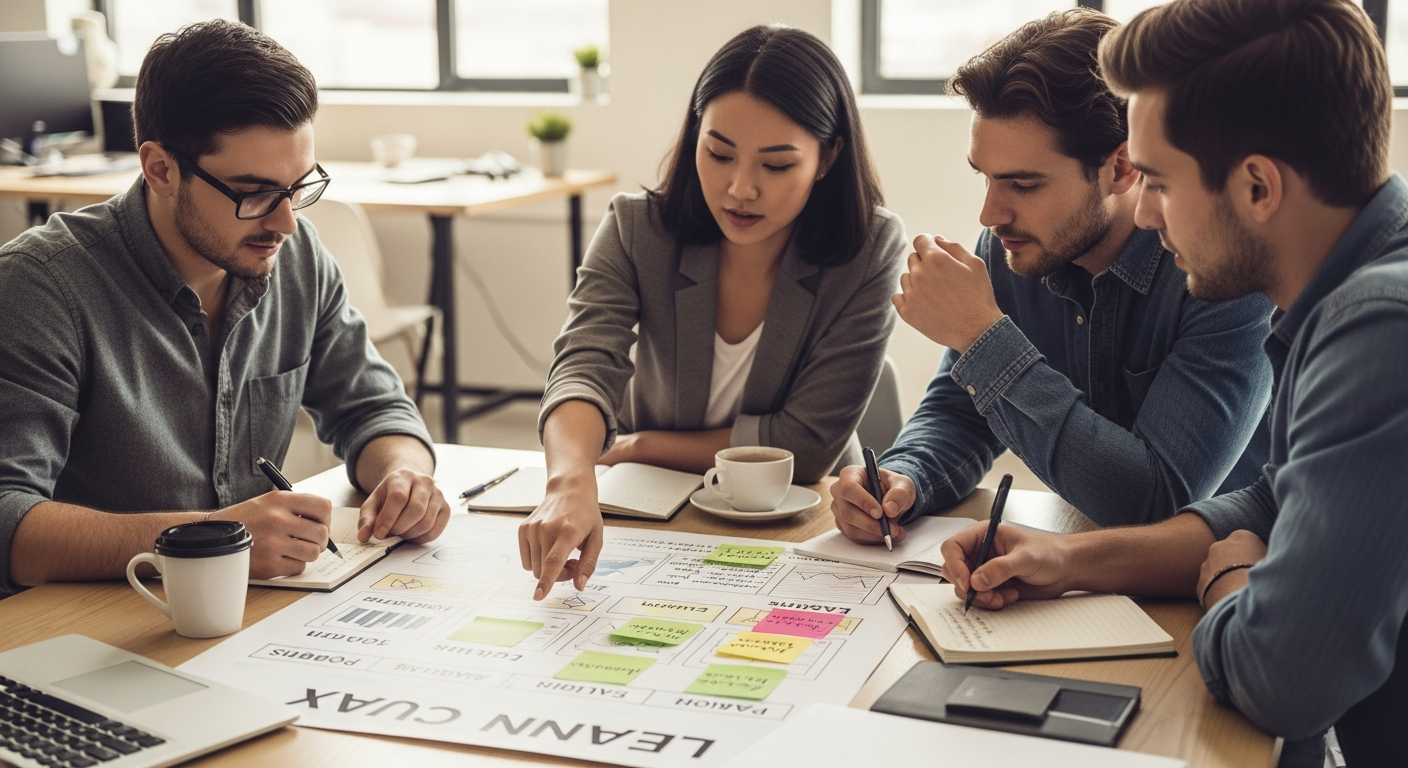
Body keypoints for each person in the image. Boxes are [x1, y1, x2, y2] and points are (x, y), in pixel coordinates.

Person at [938, 0, 1407, 764]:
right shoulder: (1345, 301)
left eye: (1157, 181)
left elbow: (1285, 680)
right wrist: (1069, 561)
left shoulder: (1380, 330)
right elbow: (1271, 500)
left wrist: (1233, 583)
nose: (1147, 217)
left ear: (1258, 187)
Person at [0, 20, 451, 596]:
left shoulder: (297, 255)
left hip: (240, 611)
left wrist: (404, 473)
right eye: (254, 192)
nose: (285, 223)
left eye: (299, 187)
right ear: (160, 169)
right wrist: (210, 535)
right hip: (92, 622)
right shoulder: (41, 288)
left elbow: (374, 408)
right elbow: (7, 521)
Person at [829, 8, 1274, 546]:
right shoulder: (1012, 249)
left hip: (1231, 579)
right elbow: (963, 410)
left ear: (1121, 168)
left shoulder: (1223, 274)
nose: (989, 215)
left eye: (1023, 184)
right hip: (1080, 571)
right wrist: (904, 477)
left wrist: (982, 336)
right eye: (986, 178)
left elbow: (1155, 502)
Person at [519, 24, 906, 599]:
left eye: (776, 166)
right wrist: (569, 480)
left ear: (827, 157)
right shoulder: (635, 227)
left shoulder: (869, 249)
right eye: (718, 153)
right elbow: (584, 363)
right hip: (654, 515)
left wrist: (641, 444)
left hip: (801, 527)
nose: (739, 189)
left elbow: (803, 446)